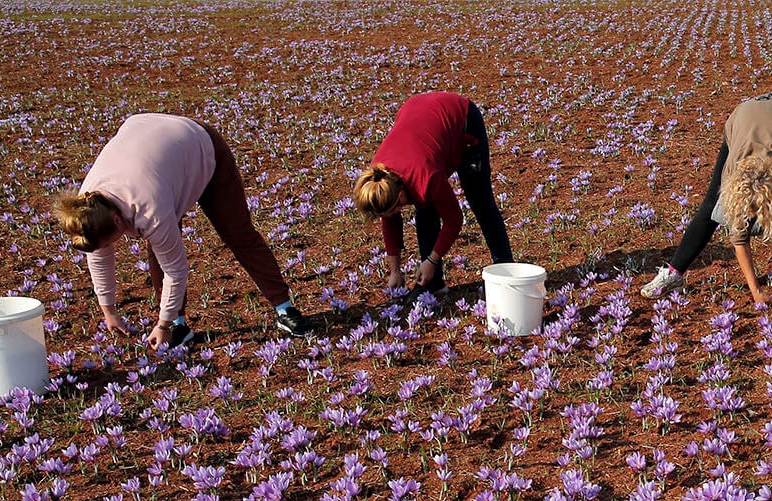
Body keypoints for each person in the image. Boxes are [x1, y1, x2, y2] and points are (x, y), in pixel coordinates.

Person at [51, 113, 311, 350]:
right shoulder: (86, 206)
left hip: (201, 147)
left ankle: (284, 308)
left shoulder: (148, 209)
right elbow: (98, 254)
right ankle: (180, 325)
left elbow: (176, 270)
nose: (110, 246)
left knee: (238, 234)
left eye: (112, 239)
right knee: (156, 245)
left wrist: (161, 326)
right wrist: (108, 311)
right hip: (156, 155)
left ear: (118, 220)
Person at [640, 94, 772, 310]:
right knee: (710, 206)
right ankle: (674, 272)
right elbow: (739, 238)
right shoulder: (732, 174)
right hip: (741, 120)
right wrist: (756, 292)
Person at [354, 91, 514, 294]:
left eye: (398, 206)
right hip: (421, 118)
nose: (399, 211)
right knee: (425, 208)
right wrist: (395, 271)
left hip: (462, 118)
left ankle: (506, 272)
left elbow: (454, 219)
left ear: (399, 189)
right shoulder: (378, 178)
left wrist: (431, 259)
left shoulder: (425, 176)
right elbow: (390, 218)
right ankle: (433, 284)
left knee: (480, 201)